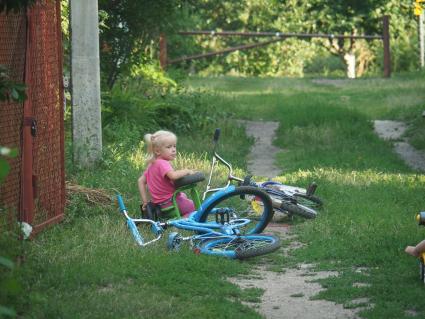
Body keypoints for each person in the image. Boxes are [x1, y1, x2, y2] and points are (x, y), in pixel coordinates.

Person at [138, 130, 196, 218]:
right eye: (169, 147)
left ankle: (181, 216)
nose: (173, 150)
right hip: (169, 203)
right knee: (192, 205)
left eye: (174, 146)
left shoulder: (152, 165)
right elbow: (173, 176)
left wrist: (145, 201)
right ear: (157, 151)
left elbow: (140, 181)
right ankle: (184, 220)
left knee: (183, 195)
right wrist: (186, 171)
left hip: (159, 205)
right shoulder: (162, 163)